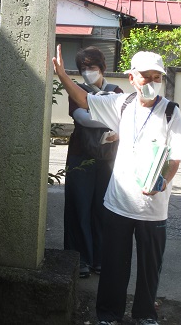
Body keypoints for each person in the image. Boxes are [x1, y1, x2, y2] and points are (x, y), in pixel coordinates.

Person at [53, 45, 181, 325]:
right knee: (114, 265)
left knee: (150, 269)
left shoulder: (170, 112)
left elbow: (175, 157)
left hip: (153, 209)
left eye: (156, 78)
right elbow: (84, 100)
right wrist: (63, 76)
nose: (151, 83)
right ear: (132, 78)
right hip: (118, 203)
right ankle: (108, 314)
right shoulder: (122, 104)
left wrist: (161, 183)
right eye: (145, 76)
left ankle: (144, 314)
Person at [64, 46, 123, 278]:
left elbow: (122, 117)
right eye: (84, 68)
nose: (88, 71)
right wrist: (113, 119)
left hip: (108, 158)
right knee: (79, 206)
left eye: (92, 67)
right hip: (80, 156)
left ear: (103, 68)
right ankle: (79, 260)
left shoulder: (115, 90)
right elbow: (83, 119)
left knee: (103, 208)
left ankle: (100, 259)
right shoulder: (76, 90)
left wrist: (115, 120)